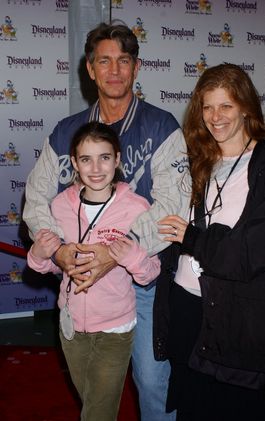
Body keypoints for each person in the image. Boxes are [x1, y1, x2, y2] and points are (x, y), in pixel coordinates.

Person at [23, 23, 189, 421]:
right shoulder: (66, 132)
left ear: (136, 68)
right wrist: (61, 250)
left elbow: (172, 206)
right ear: (90, 69)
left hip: (145, 280)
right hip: (83, 286)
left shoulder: (162, 126)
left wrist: (114, 253)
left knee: (151, 382)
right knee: (94, 387)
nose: (114, 70)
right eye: (105, 61)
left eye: (124, 61)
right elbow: (36, 199)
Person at [155, 64, 265, 421]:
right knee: (193, 410)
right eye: (207, 106)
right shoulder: (200, 160)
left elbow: (254, 250)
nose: (215, 116)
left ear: (246, 109)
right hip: (189, 311)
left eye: (226, 106)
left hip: (242, 321)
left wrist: (193, 238)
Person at [27, 122, 161, 421]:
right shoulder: (60, 205)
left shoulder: (136, 207)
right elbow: (52, 266)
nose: (96, 168)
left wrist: (134, 256)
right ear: (74, 162)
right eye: (86, 159)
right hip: (70, 326)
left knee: (98, 411)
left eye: (104, 157)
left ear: (117, 159)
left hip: (115, 328)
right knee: (91, 401)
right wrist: (38, 255)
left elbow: (151, 273)